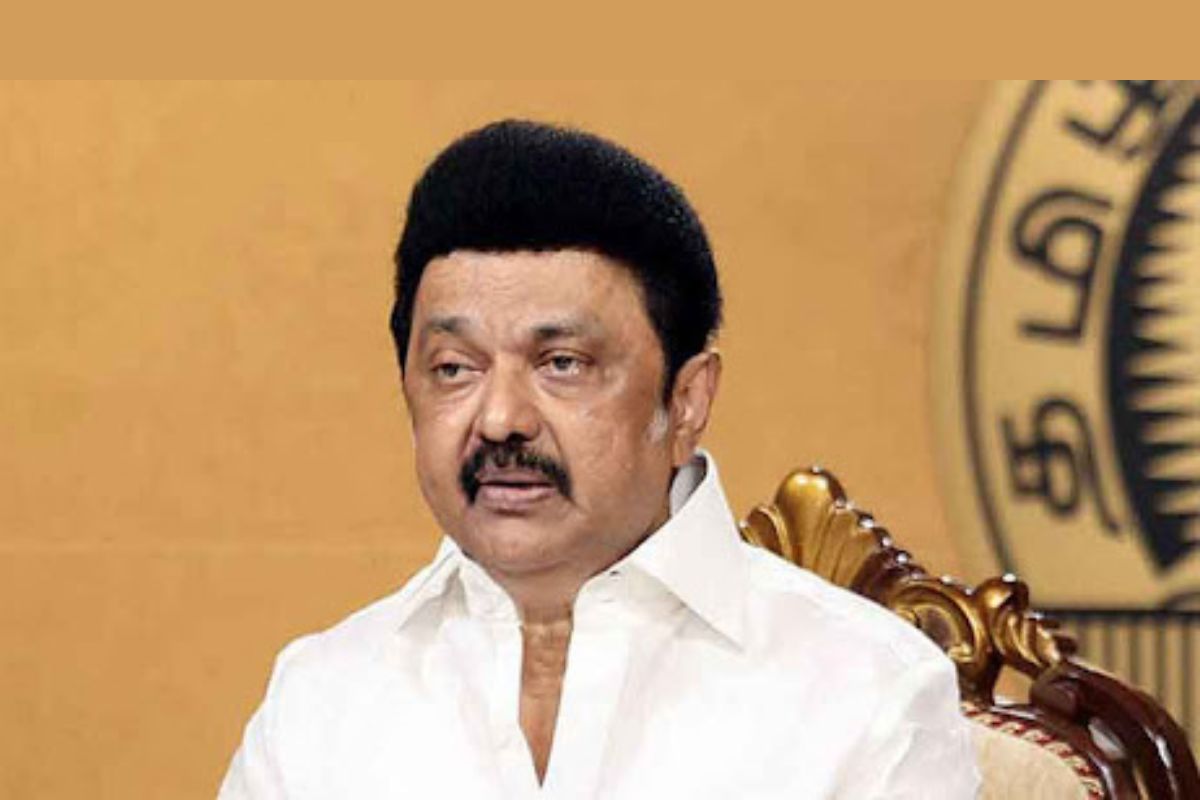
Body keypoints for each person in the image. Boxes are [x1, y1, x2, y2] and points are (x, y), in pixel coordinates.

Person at [219, 120, 980, 799]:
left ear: (687, 401)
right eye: (454, 368)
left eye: (562, 364)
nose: (501, 419)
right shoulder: (320, 700)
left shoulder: (865, 693)